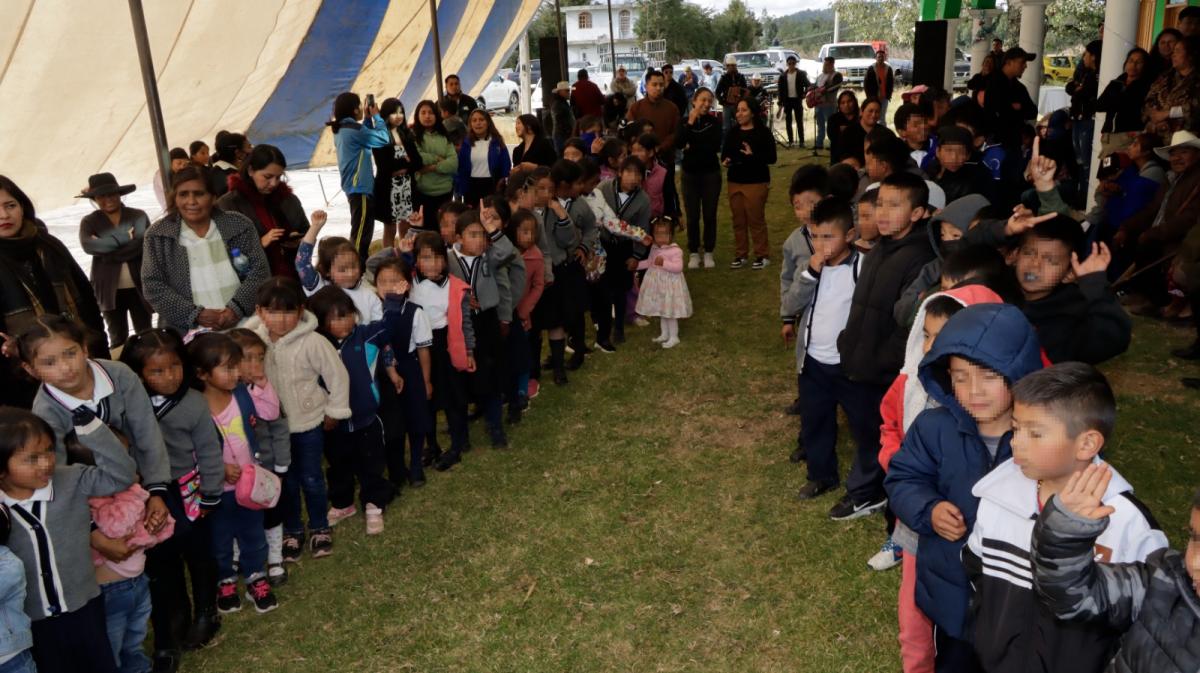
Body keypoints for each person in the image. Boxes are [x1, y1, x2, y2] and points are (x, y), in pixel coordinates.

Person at [965, 363, 1167, 673]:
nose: (1016, 442)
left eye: (1035, 433)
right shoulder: (996, 498)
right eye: (1016, 427)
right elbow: (976, 568)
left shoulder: (1128, 521)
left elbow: (1148, 615)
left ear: (1087, 444)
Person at [885, 303, 1044, 673]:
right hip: (952, 594)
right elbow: (904, 478)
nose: (973, 391)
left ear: (1019, 373)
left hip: (1018, 599)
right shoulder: (933, 427)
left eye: (988, 376)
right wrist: (929, 510)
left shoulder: (1041, 439)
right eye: (959, 377)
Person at [117, 327, 223, 671]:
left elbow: (209, 450)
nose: (168, 376)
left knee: (200, 553)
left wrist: (210, 493)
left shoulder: (193, 402)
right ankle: (174, 618)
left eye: (175, 366)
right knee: (162, 558)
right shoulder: (130, 407)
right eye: (156, 371)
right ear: (138, 374)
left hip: (190, 490)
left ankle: (207, 611)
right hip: (150, 494)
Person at [833, 172, 937, 521]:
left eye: (894, 205)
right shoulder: (881, 246)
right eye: (879, 204)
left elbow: (908, 323)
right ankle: (871, 487)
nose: (882, 212)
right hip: (859, 356)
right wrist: (847, 342)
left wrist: (884, 362)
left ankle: (867, 492)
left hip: (883, 368)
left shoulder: (920, 258)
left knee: (881, 433)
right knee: (865, 428)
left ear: (918, 213)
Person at [0, 406, 135, 673]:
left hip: (85, 607)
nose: (47, 462)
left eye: (49, 450)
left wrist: (94, 432)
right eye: (31, 458)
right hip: (34, 622)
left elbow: (122, 475)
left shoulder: (72, 479)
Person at [1032, 470, 1200, 673]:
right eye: (1195, 538)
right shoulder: (1165, 583)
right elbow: (1076, 596)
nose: (1195, 562)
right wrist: (1064, 534)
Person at [243, 278, 351, 562]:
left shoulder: (313, 341)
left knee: (312, 477)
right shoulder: (251, 343)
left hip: (309, 423)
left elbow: (337, 376)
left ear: (301, 311)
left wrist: (334, 410)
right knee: (285, 481)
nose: (281, 319)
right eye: (273, 311)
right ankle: (293, 531)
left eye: (289, 311)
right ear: (260, 311)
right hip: (271, 430)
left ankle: (319, 527)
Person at [183, 332, 278, 616]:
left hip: (249, 486)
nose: (236, 372)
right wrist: (218, 470)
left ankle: (254, 576)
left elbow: (271, 413)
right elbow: (186, 452)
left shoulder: (242, 393)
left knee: (253, 534)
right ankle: (225, 579)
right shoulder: (193, 408)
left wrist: (262, 384)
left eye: (237, 365)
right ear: (201, 373)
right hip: (215, 490)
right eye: (228, 368)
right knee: (220, 539)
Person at [783, 197, 869, 501]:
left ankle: (873, 478)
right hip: (814, 362)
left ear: (849, 235)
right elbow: (790, 304)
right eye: (815, 236)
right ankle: (822, 475)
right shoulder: (810, 266)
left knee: (864, 423)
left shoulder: (862, 267)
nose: (821, 244)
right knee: (815, 419)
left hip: (848, 366)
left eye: (828, 237)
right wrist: (810, 274)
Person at [307, 285, 410, 535]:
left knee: (371, 462)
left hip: (367, 419)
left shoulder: (367, 336)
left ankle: (374, 502)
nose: (345, 321)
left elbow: (389, 327)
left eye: (348, 314)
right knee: (338, 465)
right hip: (334, 422)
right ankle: (343, 504)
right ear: (320, 322)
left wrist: (393, 302)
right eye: (335, 318)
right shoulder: (317, 345)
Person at [141, 166, 270, 335]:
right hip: (190, 334)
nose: (191, 201)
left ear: (213, 197)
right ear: (174, 198)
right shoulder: (159, 234)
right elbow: (152, 285)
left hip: (245, 327)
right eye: (183, 194)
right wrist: (195, 314)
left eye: (199, 193)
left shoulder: (238, 225)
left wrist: (235, 309)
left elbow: (260, 271)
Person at [1012, 216, 1130, 365]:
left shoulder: (1069, 320)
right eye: (1028, 253)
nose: (1035, 264)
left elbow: (1114, 340)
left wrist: (1094, 284)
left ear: (1069, 274)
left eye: (1051, 260)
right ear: (1015, 255)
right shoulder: (998, 295)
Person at [447, 210, 516, 448]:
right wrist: (462, 298)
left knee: (492, 371)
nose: (479, 240)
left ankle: (495, 425)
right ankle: (462, 431)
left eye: (482, 235)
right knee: (463, 373)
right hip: (461, 324)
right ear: (458, 238)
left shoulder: (489, 256)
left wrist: (493, 230)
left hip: (487, 321)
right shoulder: (448, 260)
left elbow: (508, 252)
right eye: (472, 235)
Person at [408, 233, 475, 469]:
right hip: (419, 347)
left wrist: (469, 350)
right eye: (425, 258)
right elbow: (377, 265)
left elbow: (465, 322)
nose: (433, 264)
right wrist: (406, 246)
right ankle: (432, 444)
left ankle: (457, 444)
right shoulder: (410, 281)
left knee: (453, 397)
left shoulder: (455, 287)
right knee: (426, 397)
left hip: (445, 345)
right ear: (416, 260)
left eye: (438, 258)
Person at [1112, 130, 1200, 309]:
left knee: (1148, 246)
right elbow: (1152, 209)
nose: (1176, 158)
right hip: (1159, 233)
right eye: (1173, 153)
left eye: (1184, 152)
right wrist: (1126, 228)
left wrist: (1155, 233)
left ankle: (1156, 300)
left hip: (1181, 241)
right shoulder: (1171, 178)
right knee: (1124, 238)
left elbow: (1189, 218)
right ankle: (1134, 291)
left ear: (1197, 154)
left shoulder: (1197, 180)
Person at [78, 173, 153, 350]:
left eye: (111, 194)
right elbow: (89, 246)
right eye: (101, 196)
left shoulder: (138, 215)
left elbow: (142, 244)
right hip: (108, 289)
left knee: (146, 334)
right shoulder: (89, 221)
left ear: (119, 194)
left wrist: (107, 250)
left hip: (140, 286)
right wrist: (126, 237)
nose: (108, 199)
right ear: (95, 199)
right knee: (117, 337)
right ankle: (121, 373)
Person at [216, 144, 309, 280]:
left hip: (292, 278)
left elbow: (305, 229)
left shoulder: (288, 199)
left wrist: (299, 239)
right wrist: (260, 243)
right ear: (250, 171)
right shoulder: (229, 204)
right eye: (267, 177)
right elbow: (222, 251)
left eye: (278, 177)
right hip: (255, 284)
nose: (273, 183)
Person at [327, 93, 390, 262]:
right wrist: (377, 116)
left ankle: (356, 265)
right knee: (361, 235)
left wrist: (368, 121)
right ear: (355, 109)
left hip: (355, 187)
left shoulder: (342, 128)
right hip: (359, 188)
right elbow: (383, 138)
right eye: (359, 106)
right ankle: (354, 266)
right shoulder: (354, 130)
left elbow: (364, 137)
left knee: (361, 231)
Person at [595, 157, 651, 350]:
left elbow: (643, 228)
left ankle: (619, 327)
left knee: (621, 289)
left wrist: (636, 256)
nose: (633, 178)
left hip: (624, 247)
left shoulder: (643, 200)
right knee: (601, 288)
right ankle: (602, 327)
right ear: (620, 172)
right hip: (603, 243)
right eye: (629, 172)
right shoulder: (603, 188)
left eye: (638, 174)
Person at [722, 97, 777, 271]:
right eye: (738, 110)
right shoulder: (732, 132)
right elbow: (724, 154)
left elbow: (771, 158)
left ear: (752, 113)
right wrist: (726, 160)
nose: (739, 113)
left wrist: (752, 155)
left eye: (744, 110)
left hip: (756, 181)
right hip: (735, 181)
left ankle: (762, 255)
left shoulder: (763, 132)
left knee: (755, 219)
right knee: (738, 220)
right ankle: (741, 255)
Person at [372, 98, 423, 249]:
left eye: (401, 112)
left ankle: (404, 254)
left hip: (407, 186)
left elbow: (418, 162)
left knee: (406, 225)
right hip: (388, 188)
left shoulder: (406, 134)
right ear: (386, 115)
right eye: (394, 112)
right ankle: (388, 257)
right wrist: (406, 163)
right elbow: (384, 166)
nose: (398, 116)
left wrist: (404, 167)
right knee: (390, 227)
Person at [680, 87, 722, 269]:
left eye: (709, 100)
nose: (706, 104)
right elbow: (680, 142)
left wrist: (692, 144)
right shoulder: (683, 121)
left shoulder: (714, 122)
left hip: (710, 173)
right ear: (694, 101)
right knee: (692, 215)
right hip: (689, 174)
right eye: (702, 100)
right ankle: (694, 252)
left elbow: (713, 146)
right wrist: (690, 123)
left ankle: (709, 251)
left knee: (710, 214)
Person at [634, 217, 691, 349]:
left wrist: (664, 263)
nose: (661, 237)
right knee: (662, 310)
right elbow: (649, 263)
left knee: (669, 312)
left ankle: (674, 336)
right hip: (658, 286)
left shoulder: (676, 251)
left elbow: (678, 267)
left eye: (664, 234)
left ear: (671, 235)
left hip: (670, 287)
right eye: (658, 234)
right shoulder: (654, 249)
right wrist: (637, 265)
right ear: (653, 235)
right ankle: (664, 334)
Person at [411, 99, 459, 220]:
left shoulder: (444, 136)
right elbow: (417, 157)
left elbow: (453, 163)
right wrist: (437, 158)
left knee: (443, 231)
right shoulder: (412, 136)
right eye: (423, 112)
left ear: (436, 115)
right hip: (422, 193)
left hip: (445, 192)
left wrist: (431, 167)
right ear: (417, 115)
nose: (427, 116)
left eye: (431, 112)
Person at [984, 48, 1038, 154]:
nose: (1025, 66)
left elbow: (1033, 112)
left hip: (1015, 142)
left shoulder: (1019, 87)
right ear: (1009, 62)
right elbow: (997, 112)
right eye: (1022, 62)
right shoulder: (992, 82)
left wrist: (1018, 107)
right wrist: (1015, 109)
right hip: (996, 143)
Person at [1143, 35, 1199, 135]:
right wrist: (1155, 121)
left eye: (1178, 51)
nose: (1173, 55)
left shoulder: (1197, 79)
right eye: (1173, 52)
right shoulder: (1164, 78)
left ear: (1191, 55)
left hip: (1188, 139)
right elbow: (1149, 101)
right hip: (1158, 136)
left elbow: (1196, 108)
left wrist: (1167, 114)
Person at [455, 109, 511, 206]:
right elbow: (460, 167)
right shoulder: (466, 143)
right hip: (472, 186)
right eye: (474, 120)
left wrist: (501, 181)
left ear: (488, 122)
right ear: (470, 124)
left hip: (492, 185)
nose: (478, 123)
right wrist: (461, 188)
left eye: (481, 120)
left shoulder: (496, 142)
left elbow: (506, 163)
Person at [627, 70, 681, 169]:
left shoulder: (672, 108)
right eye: (654, 84)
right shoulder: (636, 107)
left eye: (661, 85)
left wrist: (661, 147)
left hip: (666, 159)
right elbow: (630, 132)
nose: (658, 88)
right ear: (646, 86)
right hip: (642, 160)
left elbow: (676, 132)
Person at [1067, 40, 1102, 190]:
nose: (1083, 58)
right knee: (1079, 158)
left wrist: (1080, 90)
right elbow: (1070, 86)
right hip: (1078, 119)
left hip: (1088, 120)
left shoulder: (1098, 76)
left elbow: (1087, 93)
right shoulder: (1086, 73)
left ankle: (1087, 194)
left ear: (1093, 56)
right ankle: (1081, 192)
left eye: (1086, 55)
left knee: (1087, 159)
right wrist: (1077, 89)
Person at [929, 126, 996, 205]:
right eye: (949, 150)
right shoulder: (928, 172)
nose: (954, 157)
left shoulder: (978, 179)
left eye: (960, 152)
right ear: (938, 151)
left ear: (968, 155)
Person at [1096, 48, 1153, 138]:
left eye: (1139, 62)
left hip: (1128, 135)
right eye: (1131, 60)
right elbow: (1099, 105)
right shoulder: (1116, 83)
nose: (1133, 65)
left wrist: (1114, 100)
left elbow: (1132, 109)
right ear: (1126, 63)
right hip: (1108, 134)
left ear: (1145, 66)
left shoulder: (1146, 87)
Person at [776, 56, 810, 148]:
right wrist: (780, 103)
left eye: (793, 63)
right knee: (788, 122)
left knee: (799, 121)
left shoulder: (801, 74)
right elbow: (780, 91)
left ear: (795, 64)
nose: (791, 65)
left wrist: (804, 94)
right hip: (787, 101)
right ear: (787, 64)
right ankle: (790, 141)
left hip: (797, 100)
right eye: (789, 63)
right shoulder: (782, 76)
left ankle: (802, 142)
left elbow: (808, 85)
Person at [812, 57, 844, 152]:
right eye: (824, 64)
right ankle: (819, 144)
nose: (825, 66)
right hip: (818, 105)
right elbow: (815, 86)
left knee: (831, 126)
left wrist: (822, 90)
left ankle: (833, 144)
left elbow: (833, 88)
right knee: (820, 125)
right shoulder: (820, 76)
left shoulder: (837, 75)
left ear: (832, 64)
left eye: (827, 64)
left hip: (830, 105)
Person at [207, 132, 249, 197]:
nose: (251, 150)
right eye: (248, 147)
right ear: (238, 153)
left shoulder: (213, 172)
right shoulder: (234, 178)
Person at [716, 55, 749, 137]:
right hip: (727, 105)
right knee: (726, 127)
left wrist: (742, 100)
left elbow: (745, 90)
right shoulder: (724, 78)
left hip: (738, 106)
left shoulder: (741, 77)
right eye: (730, 66)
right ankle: (727, 144)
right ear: (727, 67)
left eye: (733, 66)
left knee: (740, 124)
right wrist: (723, 102)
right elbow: (717, 92)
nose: (732, 68)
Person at [827, 91, 860, 166]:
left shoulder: (861, 117)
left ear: (855, 102)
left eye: (849, 101)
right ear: (839, 105)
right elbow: (832, 137)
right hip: (838, 158)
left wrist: (846, 130)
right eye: (843, 102)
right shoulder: (833, 119)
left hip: (858, 157)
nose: (846, 105)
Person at [864, 48, 895, 126]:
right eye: (879, 57)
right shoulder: (871, 68)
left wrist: (889, 95)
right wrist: (869, 97)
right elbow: (866, 84)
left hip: (884, 97)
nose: (880, 58)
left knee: (882, 116)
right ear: (876, 58)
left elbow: (891, 83)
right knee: (874, 116)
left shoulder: (888, 68)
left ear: (885, 58)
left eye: (882, 57)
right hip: (874, 97)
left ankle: (882, 133)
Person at [550, 82, 575, 154]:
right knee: (562, 155)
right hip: (562, 135)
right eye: (567, 91)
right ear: (560, 92)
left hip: (563, 135)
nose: (569, 92)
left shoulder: (561, 102)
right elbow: (561, 121)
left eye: (569, 90)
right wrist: (570, 132)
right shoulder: (558, 104)